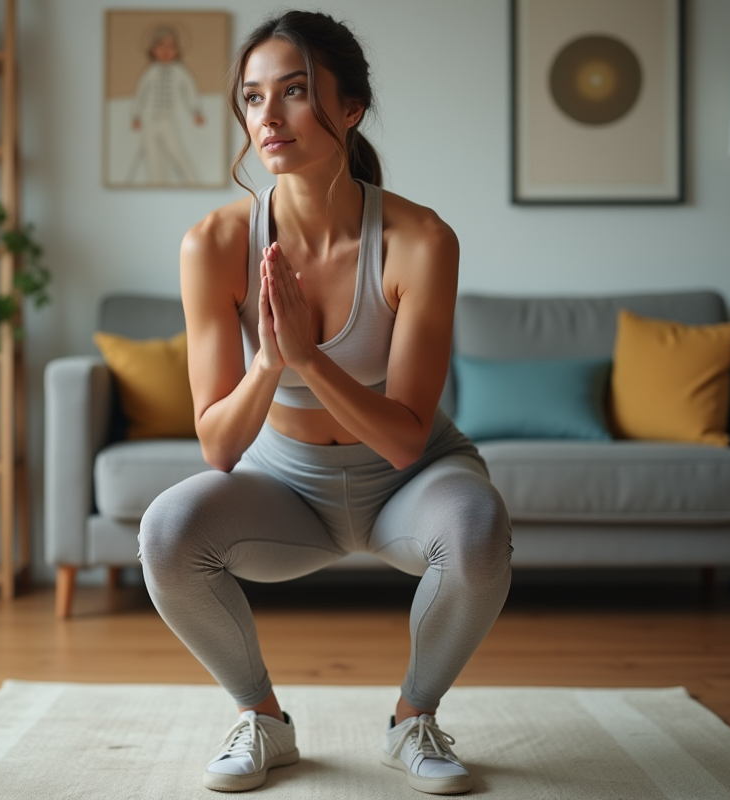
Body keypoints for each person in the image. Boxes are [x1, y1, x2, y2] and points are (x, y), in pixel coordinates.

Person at [138, 10, 512, 795]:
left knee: (478, 528)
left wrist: (309, 357)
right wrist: (273, 364)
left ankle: (413, 718)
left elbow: (408, 439)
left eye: (295, 92)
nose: (267, 118)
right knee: (167, 531)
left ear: (350, 108)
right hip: (284, 485)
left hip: (409, 483)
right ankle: (262, 720)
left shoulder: (419, 241)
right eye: (251, 98)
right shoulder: (212, 245)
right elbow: (218, 445)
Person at [130, 26, 205, 185]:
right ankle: (158, 183)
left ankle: (192, 182)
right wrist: (136, 115)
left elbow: (189, 91)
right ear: (153, 50)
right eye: (160, 46)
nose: (165, 51)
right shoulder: (150, 72)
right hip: (150, 121)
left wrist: (195, 111)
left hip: (168, 121)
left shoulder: (180, 71)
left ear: (177, 50)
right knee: (152, 154)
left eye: (170, 47)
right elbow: (141, 95)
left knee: (176, 151)